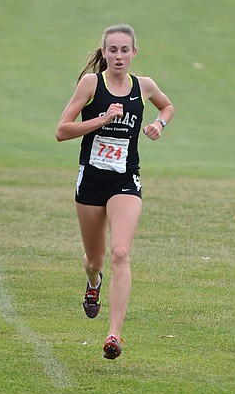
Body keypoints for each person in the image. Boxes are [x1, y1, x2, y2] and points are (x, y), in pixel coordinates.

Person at [56, 24, 174, 360]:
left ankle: (114, 335)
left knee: (121, 252)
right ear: (104, 53)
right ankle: (93, 283)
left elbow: (167, 106)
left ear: (134, 53)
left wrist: (158, 125)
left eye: (125, 50)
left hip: (125, 180)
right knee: (95, 259)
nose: (119, 56)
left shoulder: (144, 86)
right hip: (91, 181)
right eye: (113, 50)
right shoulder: (91, 84)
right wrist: (101, 119)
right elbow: (62, 131)